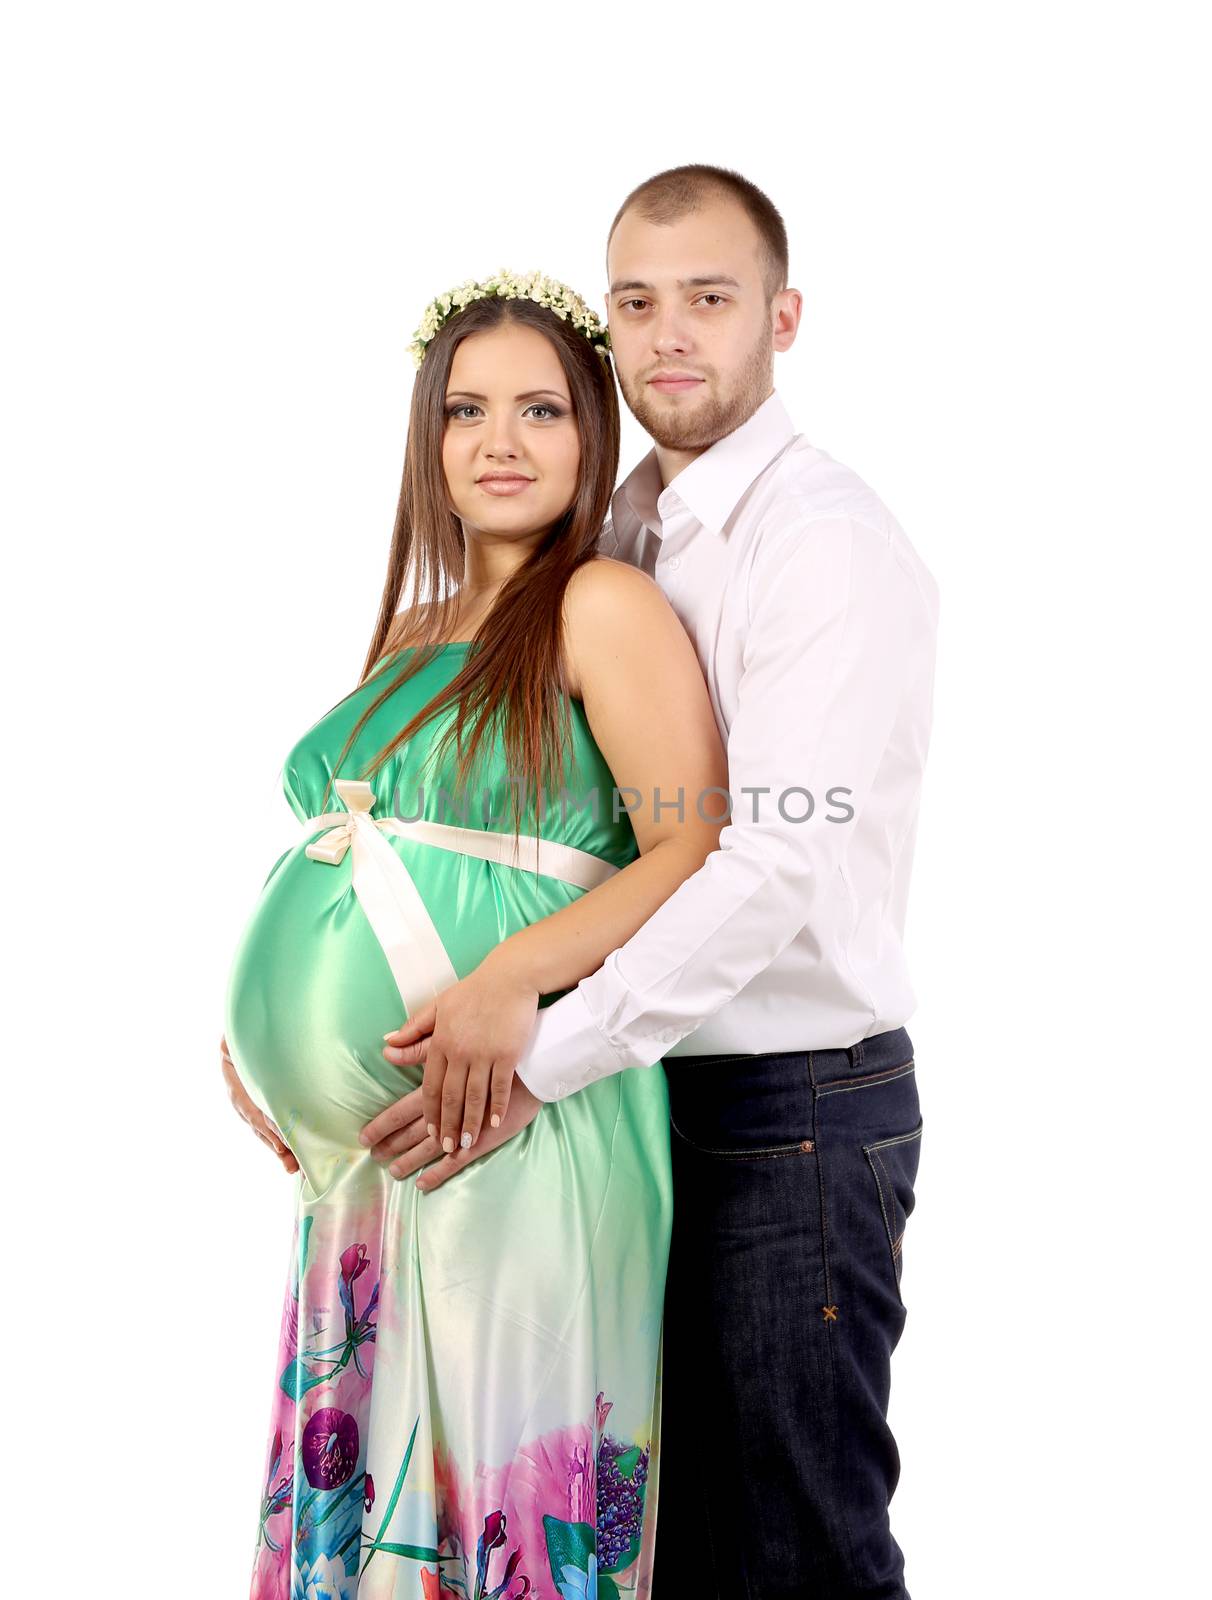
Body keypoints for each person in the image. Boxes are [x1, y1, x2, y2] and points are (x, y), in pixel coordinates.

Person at [369, 166, 940, 1598]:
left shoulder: (823, 545)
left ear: (783, 318)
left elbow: (764, 862)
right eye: (637, 303)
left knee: (793, 1549)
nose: (669, 334)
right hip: (644, 1110)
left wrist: (537, 1056)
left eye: (710, 299)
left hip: (787, 1115)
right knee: (648, 1544)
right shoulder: (620, 530)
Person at [220, 268, 730, 1599]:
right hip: (364, 1173)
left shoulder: (599, 609)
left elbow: (693, 841)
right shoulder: (413, 632)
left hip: (518, 1124)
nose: (499, 443)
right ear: (427, 445)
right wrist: (257, 1032)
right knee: (378, 1521)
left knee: (510, 1512)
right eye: (466, 412)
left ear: (591, 437)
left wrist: (511, 978)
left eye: (541, 411)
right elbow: (351, 853)